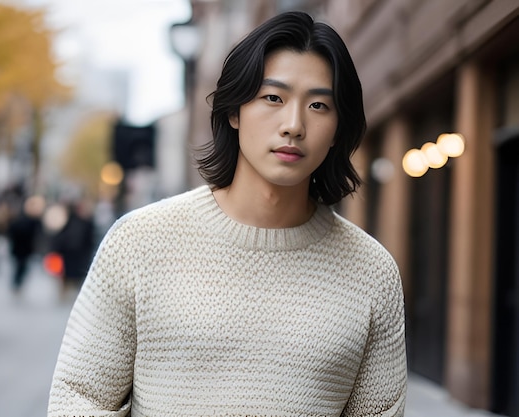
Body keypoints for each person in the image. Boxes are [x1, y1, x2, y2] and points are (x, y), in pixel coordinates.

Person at [48, 11, 407, 417]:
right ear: (234, 111)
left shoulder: (372, 272)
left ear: (339, 129)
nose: (294, 125)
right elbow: (79, 397)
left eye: (319, 105)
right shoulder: (140, 242)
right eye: (273, 98)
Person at [49, 200, 95, 300]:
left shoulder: (87, 222)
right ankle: (65, 291)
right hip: (67, 252)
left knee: (76, 274)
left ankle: (71, 291)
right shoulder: (69, 220)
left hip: (79, 253)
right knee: (66, 273)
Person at [7, 202, 41, 295]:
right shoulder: (30, 222)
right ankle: (18, 284)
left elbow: (11, 234)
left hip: (19, 249)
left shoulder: (16, 222)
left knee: (19, 267)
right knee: (22, 267)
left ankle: (16, 283)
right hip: (25, 249)